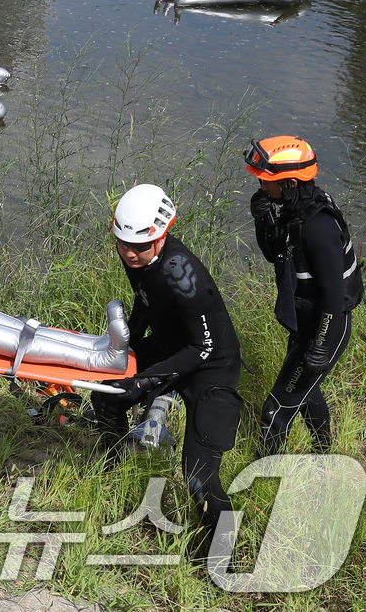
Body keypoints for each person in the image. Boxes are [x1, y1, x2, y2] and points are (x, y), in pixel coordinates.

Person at [90, 184, 243, 559]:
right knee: (106, 393)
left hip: (212, 368)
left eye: (139, 246)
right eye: (122, 243)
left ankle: (224, 557)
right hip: (172, 347)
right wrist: (127, 354)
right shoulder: (136, 256)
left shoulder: (184, 277)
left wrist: (147, 380)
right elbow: (145, 302)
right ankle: (116, 461)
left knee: (198, 476)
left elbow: (203, 347)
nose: (129, 253)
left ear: (162, 235)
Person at [244, 136, 361, 456]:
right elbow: (274, 255)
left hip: (325, 326)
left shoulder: (318, 226)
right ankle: (325, 455)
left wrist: (320, 346)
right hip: (306, 323)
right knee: (306, 393)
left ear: (291, 182)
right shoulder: (296, 208)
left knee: (274, 412)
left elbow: (334, 293)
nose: (261, 186)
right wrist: (262, 219)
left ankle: (261, 484)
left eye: (267, 182)